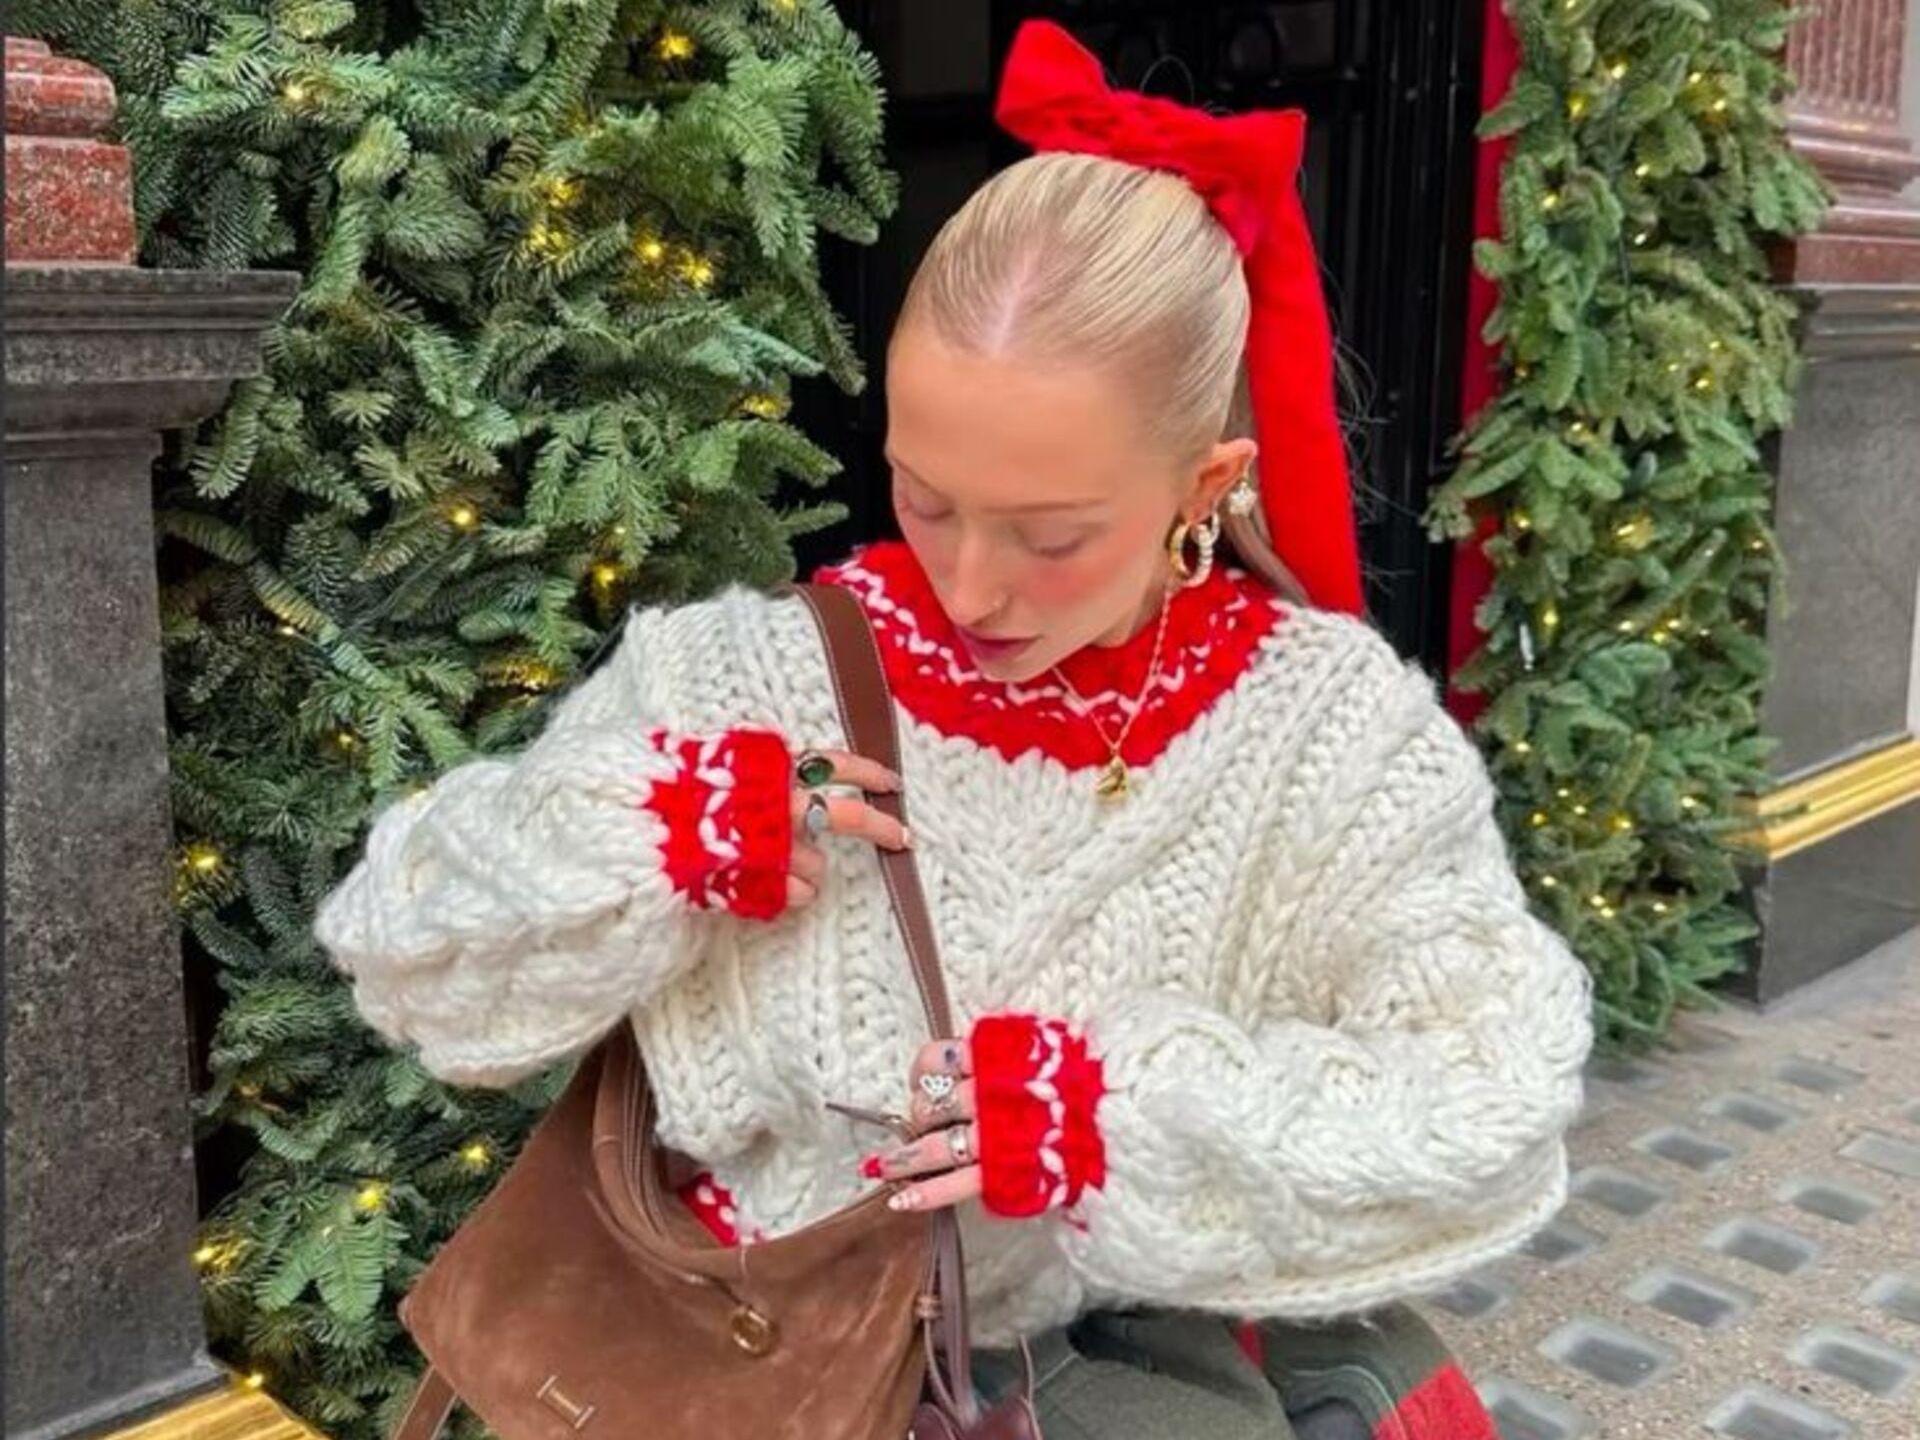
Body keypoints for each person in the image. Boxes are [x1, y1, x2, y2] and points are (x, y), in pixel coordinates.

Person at [312, 20, 1593, 1439]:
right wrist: (662, 834)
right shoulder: (751, 674)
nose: (971, 586)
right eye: (924, 498)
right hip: (757, 1373)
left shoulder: (1328, 733)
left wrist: (1114, 1123)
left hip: (1087, 1373)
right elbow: (408, 955)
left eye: (1051, 535)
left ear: (1204, 484)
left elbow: (1498, 1093)